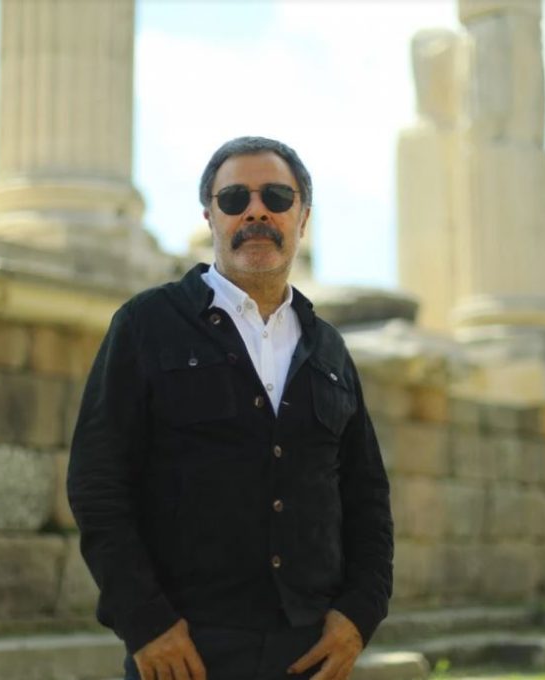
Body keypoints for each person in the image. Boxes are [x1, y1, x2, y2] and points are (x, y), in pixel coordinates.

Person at [68, 136, 394, 680]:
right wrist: (145, 622)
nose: (256, 211)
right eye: (235, 197)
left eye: (277, 197)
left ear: (303, 218)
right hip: (185, 653)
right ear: (210, 216)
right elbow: (97, 483)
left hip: (309, 652)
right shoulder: (147, 325)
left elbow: (367, 496)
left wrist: (361, 614)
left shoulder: (329, 349)